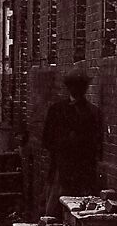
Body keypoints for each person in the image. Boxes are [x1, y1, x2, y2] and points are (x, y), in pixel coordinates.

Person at [41, 68, 103, 215]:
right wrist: (64, 145)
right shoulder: (57, 110)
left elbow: (97, 142)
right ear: (69, 87)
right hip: (62, 167)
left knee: (81, 209)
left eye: (82, 86)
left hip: (84, 169)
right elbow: (47, 139)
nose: (79, 89)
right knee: (55, 207)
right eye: (74, 85)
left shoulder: (93, 112)